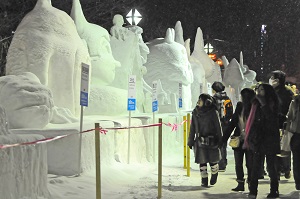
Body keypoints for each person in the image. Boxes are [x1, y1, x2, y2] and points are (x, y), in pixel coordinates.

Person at [244, 83, 281, 198]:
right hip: (258, 140)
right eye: (258, 89)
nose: (259, 92)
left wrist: (264, 104)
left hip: (270, 140)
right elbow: (252, 122)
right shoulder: (254, 104)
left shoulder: (272, 103)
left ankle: (274, 190)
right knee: (255, 167)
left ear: (267, 91)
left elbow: (272, 120)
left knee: (271, 167)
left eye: (262, 90)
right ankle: (253, 191)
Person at [223, 88, 255, 192]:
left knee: (250, 164)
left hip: (250, 139)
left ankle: (251, 184)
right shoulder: (240, 106)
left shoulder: (255, 107)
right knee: (239, 163)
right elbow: (233, 123)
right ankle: (240, 183)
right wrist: (224, 138)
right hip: (239, 138)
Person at [188, 93, 223, 187]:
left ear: (207, 102)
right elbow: (192, 127)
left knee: (213, 161)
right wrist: (190, 140)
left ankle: (214, 174)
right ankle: (204, 180)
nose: (198, 102)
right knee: (202, 161)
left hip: (212, 140)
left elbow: (218, 127)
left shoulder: (213, 112)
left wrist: (220, 140)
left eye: (201, 100)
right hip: (200, 141)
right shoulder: (196, 112)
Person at [269, 70, 293, 179]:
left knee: (280, 148)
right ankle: (282, 169)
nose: (271, 80)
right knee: (281, 148)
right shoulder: (287, 92)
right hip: (280, 124)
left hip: (280, 123)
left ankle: (282, 169)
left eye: (273, 78)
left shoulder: (279, 92)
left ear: (277, 80)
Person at [212, 81, 233, 171]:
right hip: (225, 124)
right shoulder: (227, 98)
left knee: (217, 144)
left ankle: (219, 162)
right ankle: (223, 162)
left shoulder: (213, 99)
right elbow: (230, 111)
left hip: (216, 124)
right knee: (223, 143)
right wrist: (226, 120)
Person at [286, 94, 300, 190]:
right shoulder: (295, 102)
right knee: (297, 160)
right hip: (296, 134)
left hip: (296, 134)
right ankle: (298, 183)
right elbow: (290, 117)